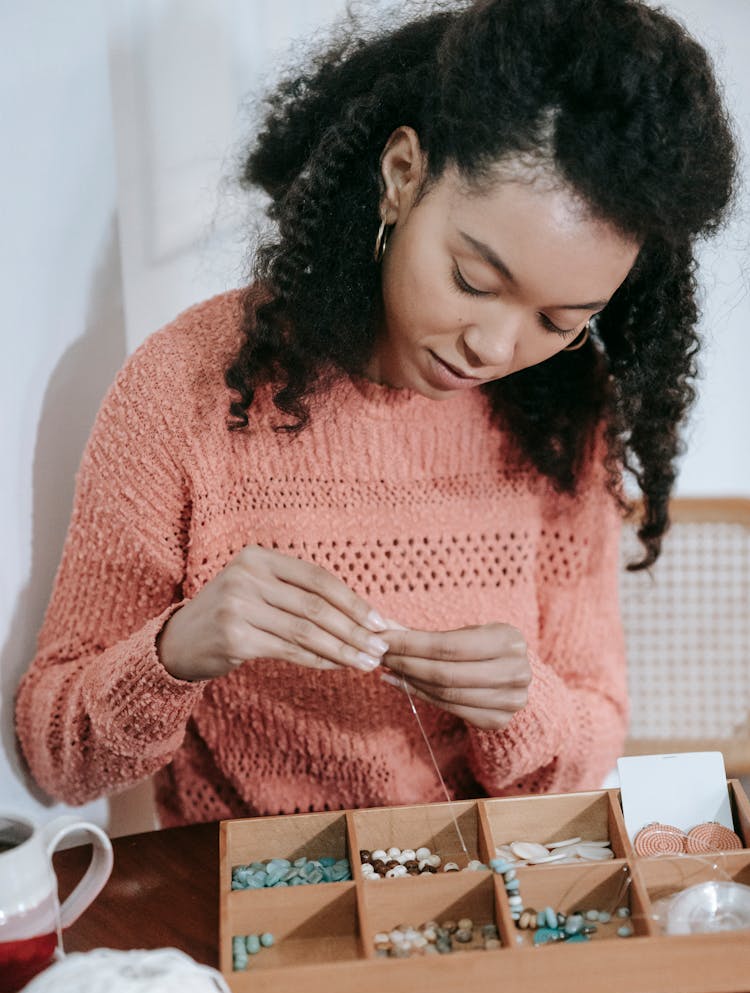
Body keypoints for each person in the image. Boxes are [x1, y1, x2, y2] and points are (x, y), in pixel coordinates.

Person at [16, 0, 736, 827]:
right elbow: (54, 756)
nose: (494, 347)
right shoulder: (184, 389)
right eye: (474, 279)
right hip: (241, 897)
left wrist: (525, 701)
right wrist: (175, 649)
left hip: (478, 884)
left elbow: (595, 737)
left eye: (558, 322)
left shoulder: (563, 416)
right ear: (402, 174)